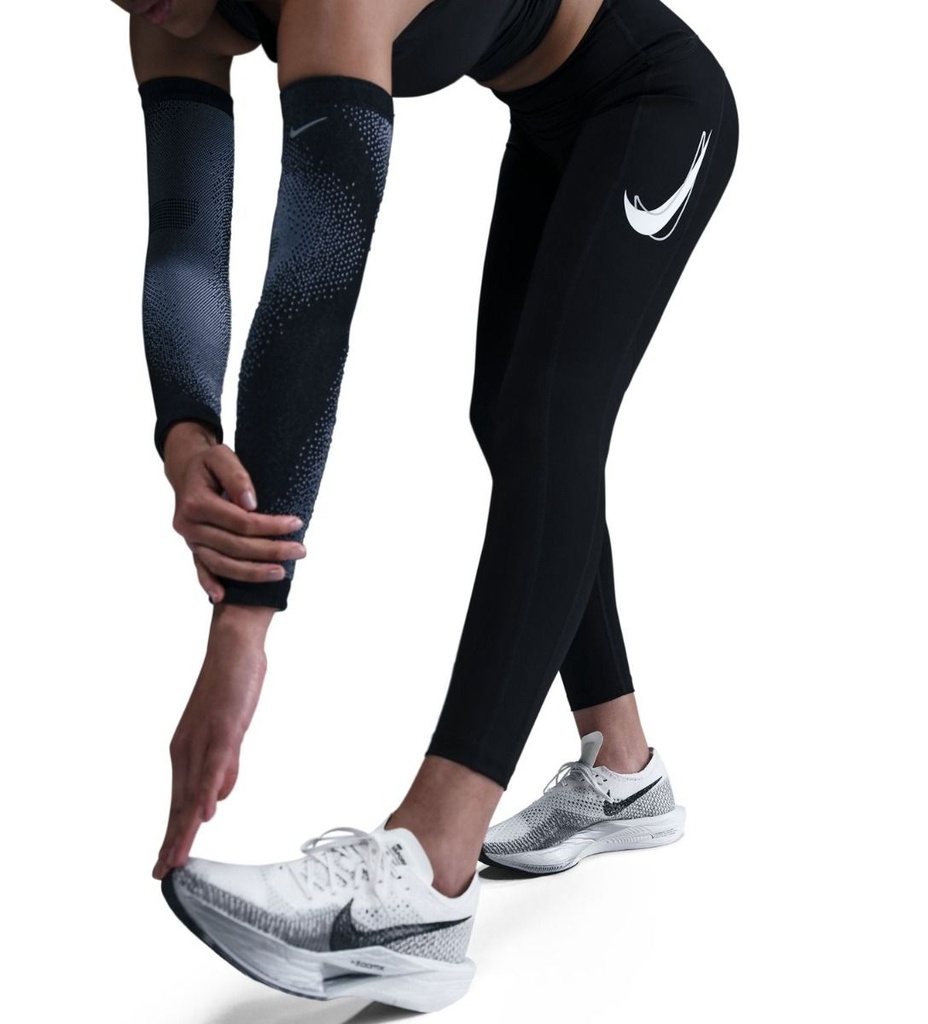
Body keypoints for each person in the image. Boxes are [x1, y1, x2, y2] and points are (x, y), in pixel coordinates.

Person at [116, 0, 737, 1010]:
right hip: (553, 120)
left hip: (654, 101)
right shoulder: (165, 14)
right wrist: (185, 428)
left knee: (547, 423)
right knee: (512, 419)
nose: (140, 5)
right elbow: (185, 250)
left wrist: (244, 619)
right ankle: (624, 770)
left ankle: (430, 879)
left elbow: (313, 291)